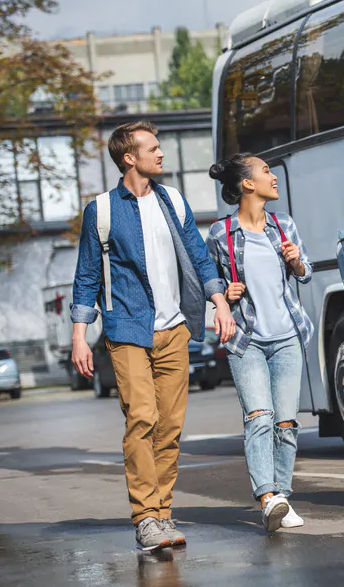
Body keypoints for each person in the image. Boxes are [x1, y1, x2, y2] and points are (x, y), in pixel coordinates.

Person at [70, 121, 235, 551]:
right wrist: (79, 335)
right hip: (127, 329)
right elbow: (87, 275)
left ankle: (162, 512)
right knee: (142, 418)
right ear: (130, 158)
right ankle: (145, 517)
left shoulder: (173, 201)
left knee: (170, 427)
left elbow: (199, 257)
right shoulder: (102, 211)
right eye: (153, 148)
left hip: (174, 330)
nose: (161, 154)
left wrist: (219, 303)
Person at [206, 153, 313, 532]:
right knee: (259, 418)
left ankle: (282, 496)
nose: (274, 177)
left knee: (286, 423)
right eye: (266, 171)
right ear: (248, 184)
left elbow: (305, 273)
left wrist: (297, 262)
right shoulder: (220, 233)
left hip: (287, 336)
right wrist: (224, 293)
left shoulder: (284, 225)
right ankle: (267, 497)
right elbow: (209, 279)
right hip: (246, 339)